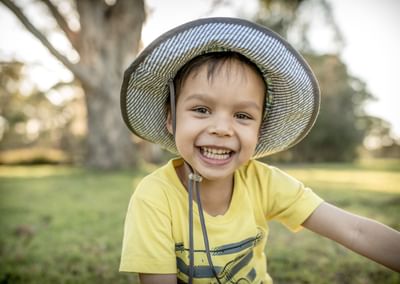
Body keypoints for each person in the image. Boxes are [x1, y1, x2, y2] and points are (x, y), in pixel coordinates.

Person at [119, 17, 400, 283]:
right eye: (201, 110)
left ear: (259, 130)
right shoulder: (153, 199)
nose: (222, 128)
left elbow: (356, 231)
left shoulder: (264, 183)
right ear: (171, 118)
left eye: (242, 116)